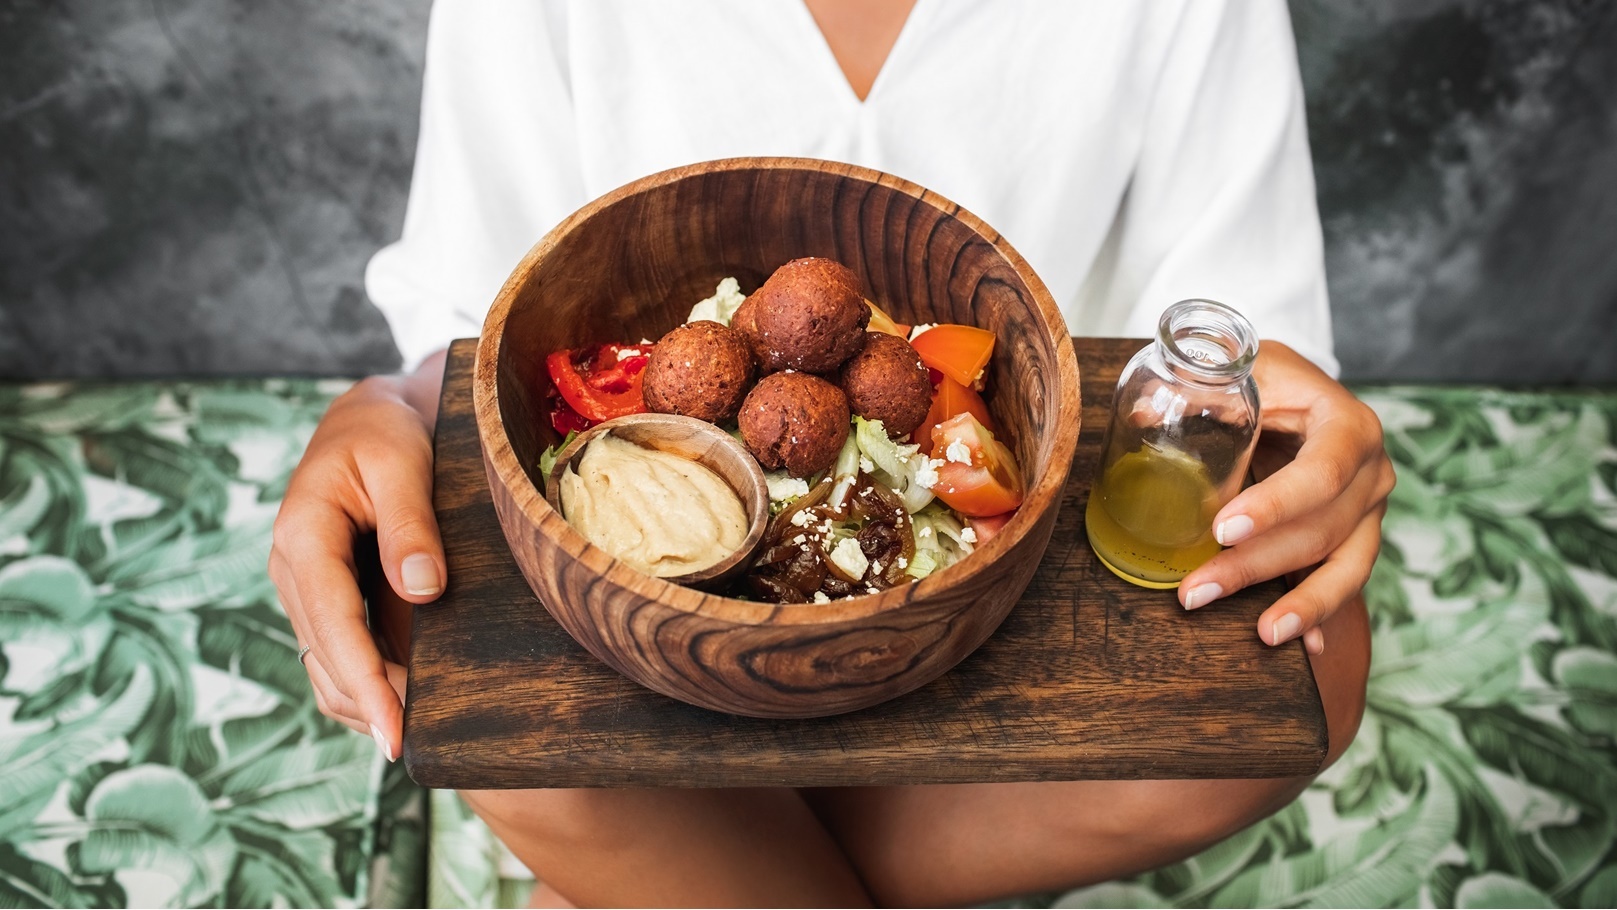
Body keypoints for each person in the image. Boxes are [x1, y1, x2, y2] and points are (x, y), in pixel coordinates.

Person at [270, 1, 1394, 905]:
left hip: (1002, 590)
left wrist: (1298, 439)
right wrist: (388, 401)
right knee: (426, 606)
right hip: (643, 647)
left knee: (1316, 650)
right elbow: (469, 322)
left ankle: (709, 869)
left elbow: (1238, 339)